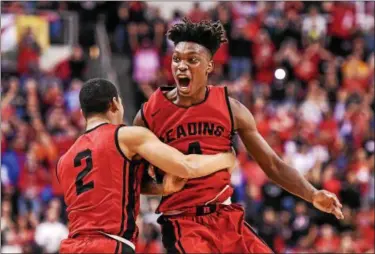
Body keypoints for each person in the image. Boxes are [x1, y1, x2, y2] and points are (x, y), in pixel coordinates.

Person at [133, 18, 344, 253]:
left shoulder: (230, 108)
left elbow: (272, 164)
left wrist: (312, 194)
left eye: (192, 60)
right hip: (183, 222)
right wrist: (163, 187)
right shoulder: (149, 113)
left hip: (225, 216)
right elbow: (135, 181)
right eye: (176, 59)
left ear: (209, 66)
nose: (181, 66)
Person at [57, 78, 236, 253]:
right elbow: (186, 165)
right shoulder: (126, 136)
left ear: (82, 113)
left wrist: (160, 188)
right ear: (114, 104)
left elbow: (111, 188)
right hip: (111, 244)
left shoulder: (64, 161)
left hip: (71, 246)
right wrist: (226, 159)